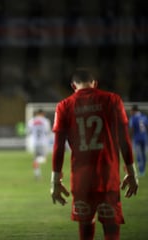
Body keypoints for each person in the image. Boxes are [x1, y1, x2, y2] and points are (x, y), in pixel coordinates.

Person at [50, 68, 138, 240]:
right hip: (108, 178)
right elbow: (124, 139)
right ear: (95, 83)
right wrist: (131, 172)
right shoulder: (113, 100)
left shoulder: (64, 106)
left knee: (86, 229)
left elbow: (58, 147)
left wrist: (55, 180)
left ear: (73, 86)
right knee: (111, 230)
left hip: (81, 180)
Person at [27, 109, 51, 179]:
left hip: (35, 143)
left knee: (36, 159)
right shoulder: (45, 121)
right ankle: (37, 162)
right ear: (43, 113)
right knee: (44, 159)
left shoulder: (31, 121)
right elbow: (47, 132)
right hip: (43, 142)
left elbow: (29, 131)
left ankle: (37, 174)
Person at [129, 104, 148, 177]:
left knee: (139, 155)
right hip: (144, 138)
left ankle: (141, 171)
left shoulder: (133, 118)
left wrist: (130, 138)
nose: (130, 112)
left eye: (131, 110)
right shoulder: (144, 117)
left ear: (134, 110)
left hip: (137, 139)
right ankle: (143, 169)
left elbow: (131, 129)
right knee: (144, 154)